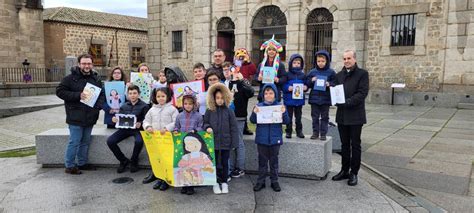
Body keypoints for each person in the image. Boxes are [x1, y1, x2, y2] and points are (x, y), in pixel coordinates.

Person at [56, 54, 105, 175]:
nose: (86, 66)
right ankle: (70, 166)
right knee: (74, 142)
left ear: (92, 65)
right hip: (75, 116)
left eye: (89, 63)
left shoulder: (96, 79)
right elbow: (59, 91)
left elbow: (102, 95)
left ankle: (82, 163)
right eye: (84, 63)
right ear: (79, 64)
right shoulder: (69, 78)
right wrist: (78, 95)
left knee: (85, 142)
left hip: (90, 116)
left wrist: (97, 107)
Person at [331, 50, 369, 186]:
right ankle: (344, 170)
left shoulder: (362, 74)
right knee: (344, 145)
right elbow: (335, 91)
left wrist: (347, 102)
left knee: (355, 145)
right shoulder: (339, 75)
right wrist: (333, 98)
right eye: (344, 58)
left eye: (349, 58)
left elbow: (362, 93)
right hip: (342, 116)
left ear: (355, 59)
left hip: (355, 116)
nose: (346, 61)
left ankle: (354, 173)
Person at [250, 84, 289, 192]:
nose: (268, 95)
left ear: (275, 95)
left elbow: (286, 121)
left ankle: (274, 181)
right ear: (263, 95)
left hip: (275, 139)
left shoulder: (279, 106)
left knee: (274, 162)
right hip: (262, 140)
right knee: (262, 162)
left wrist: (284, 112)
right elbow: (253, 121)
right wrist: (254, 113)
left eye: (271, 93)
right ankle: (261, 181)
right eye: (266, 93)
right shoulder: (259, 106)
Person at [203, 83, 239, 194]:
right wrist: (208, 127)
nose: (220, 100)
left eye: (222, 98)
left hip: (225, 143)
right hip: (213, 143)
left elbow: (234, 128)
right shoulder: (209, 111)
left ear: (226, 98)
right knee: (214, 163)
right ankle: (215, 182)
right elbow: (205, 123)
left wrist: (234, 143)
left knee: (224, 163)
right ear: (213, 98)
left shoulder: (229, 111)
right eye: (217, 98)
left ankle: (224, 182)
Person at [142, 87, 179, 190]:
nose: (160, 98)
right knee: (157, 159)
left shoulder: (172, 109)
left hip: (167, 140)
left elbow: (176, 122)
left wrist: (167, 128)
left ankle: (166, 180)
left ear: (167, 97)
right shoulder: (152, 109)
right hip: (155, 139)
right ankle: (159, 177)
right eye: (158, 96)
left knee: (167, 159)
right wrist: (148, 127)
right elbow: (146, 120)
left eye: (163, 96)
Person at [107, 85, 150, 173]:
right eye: (130, 93)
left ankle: (134, 161)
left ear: (138, 94)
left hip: (137, 130)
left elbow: (147, 120)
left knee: (139, 141)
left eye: (134, 93)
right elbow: (119, 118)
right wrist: (114, 120)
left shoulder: (144, 106)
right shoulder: (124, 106)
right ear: (128, 95)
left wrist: (140, 123)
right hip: (125, 129)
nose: (132, 95)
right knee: (110, 141)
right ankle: (123, 160)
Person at [224, 65, 255, 178]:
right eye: (231, 71)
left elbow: (251, 93)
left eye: (236, 70)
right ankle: (231, 166)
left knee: (239, 143)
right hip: (228, 116)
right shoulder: (227, 83)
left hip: (239, 116)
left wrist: (241, 80)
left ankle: (240, 168)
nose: (234, 72)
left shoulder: (243, 82)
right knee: (231, 143)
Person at [173, 95, 204, 195]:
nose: (188, 106)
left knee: (192, 164)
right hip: (182, 143)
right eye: (185, 104)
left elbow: (201, 127)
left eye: (190, 104)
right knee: (183, 164)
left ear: (194, 104)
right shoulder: (179, 116)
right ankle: (184, 184)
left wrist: (195, 130)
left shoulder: (198, 116)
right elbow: (176, 126)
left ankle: (191, 185)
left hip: (193, 143)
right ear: (183, 104)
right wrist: (176, 131)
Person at [305, 50, 336, 140]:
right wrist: (311, 80)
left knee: (325, 117)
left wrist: (329, 84)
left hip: (325, 99)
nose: (320, 63)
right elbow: (307, 83)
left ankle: (323, 133)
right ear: (316, 61)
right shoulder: (312, 72)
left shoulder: (331, 72)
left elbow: (335, 83)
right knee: (314, 117)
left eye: (323, 61)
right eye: (318, 61)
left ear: (327, 61)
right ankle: (315, 132)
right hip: (314, 99)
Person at [281, 54, 307, 139]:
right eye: (294, 62)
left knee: (298, 117)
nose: (296, 64)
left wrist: (305, 87)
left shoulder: (303, 75)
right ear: (291, 64)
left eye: (298, 63)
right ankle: (288, 131)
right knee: (289, 116)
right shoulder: (287, 74)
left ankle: (299, 131)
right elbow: (283, 85)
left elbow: (306, 84)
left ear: (301, 64)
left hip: (299, 101)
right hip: (289, 100)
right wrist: (288, 88)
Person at [255, 36, 286, 102]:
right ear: (266, 51)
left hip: (275, 93)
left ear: (276, 52)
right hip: (263, 93)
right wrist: (258, 78)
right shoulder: (261, 64)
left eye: (273, 50)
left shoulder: (280, 65)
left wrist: (278, 80)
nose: (271, 52)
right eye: (269, 50)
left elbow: (284, 77)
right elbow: (256, 76)